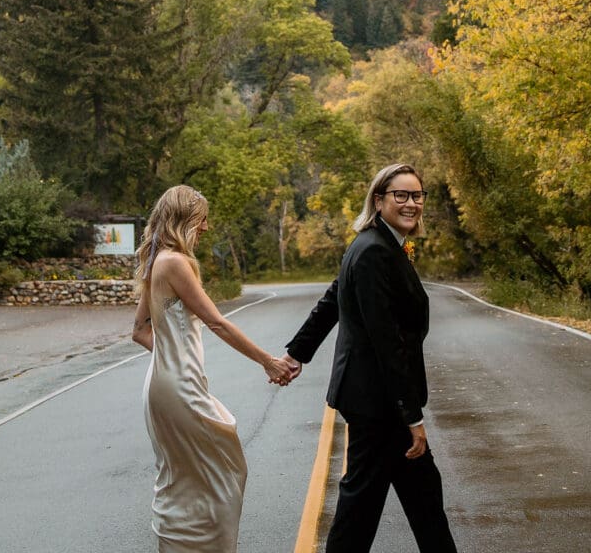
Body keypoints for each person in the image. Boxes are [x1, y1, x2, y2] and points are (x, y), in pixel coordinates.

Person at [283, 163, 459, 553]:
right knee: (365, 507)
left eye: (417, 195)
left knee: (420, 498)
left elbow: (333, 299)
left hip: (375, 399)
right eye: (401, 195)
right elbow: (386, 341)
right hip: (379, 404)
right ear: (379, 200)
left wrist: (298, 352)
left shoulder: (377, 243)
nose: (411, 203)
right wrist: (410, 415)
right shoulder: (375, 251)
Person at [132, 185, 293, 553]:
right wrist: (267, 361)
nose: (205, 227)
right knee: (224, 473)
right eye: (201, 219)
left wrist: (173, 356)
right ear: (184, 219)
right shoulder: (175, 262)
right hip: (178, 388)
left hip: (163, 386)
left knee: (185, 479)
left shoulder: (158, 259)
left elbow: (139, 330)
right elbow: (217, 323)